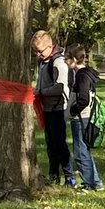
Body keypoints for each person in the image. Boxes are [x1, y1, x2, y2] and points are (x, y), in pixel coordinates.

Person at [31, 30, 75, 187]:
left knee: (59, 144)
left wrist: (41, 92)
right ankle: (53, 175)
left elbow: (60, 87)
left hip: (58, 108)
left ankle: (69, 176)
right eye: (36, 51)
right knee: (50, 145)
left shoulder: (58, 62)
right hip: (47, 108)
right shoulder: (42, 61)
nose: (38, 54)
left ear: (50, 46)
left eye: (40, 51)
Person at [65, 43, 103, 192]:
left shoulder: (82, 76)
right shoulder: (86, 74)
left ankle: (88, 184)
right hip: (84, 117)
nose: (65, 62)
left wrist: (73, 110)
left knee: (80, 152)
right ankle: (96, 182)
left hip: (81, 118)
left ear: (74, 59)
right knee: (85, 150)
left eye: (67, 58)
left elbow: (84, 99)